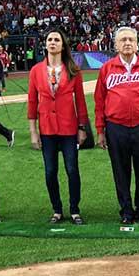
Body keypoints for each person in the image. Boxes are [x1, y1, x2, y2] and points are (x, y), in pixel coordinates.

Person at [94, 27, 139, 224]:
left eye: (131, 40)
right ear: (116, 45)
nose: (127, 43)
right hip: (115, 127)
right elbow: (100, 102)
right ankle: (126, 211)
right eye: (123, 40)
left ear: (136, 43)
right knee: (120, 171)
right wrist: (100, 130)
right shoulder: (107, 69)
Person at [28, 30, 89, 225]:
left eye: (56, 40)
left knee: (72, 170)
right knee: (50, 171)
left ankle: (74, 209)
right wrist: (33, 131)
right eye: (49, 40)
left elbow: (80, 101)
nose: (52, 42)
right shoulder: (36, 71)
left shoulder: (73, 70)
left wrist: (82, 127)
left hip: (68, 128)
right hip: (47, 129)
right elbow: (31, 102)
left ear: (63, 45)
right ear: (45, 44)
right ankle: (56, 209)